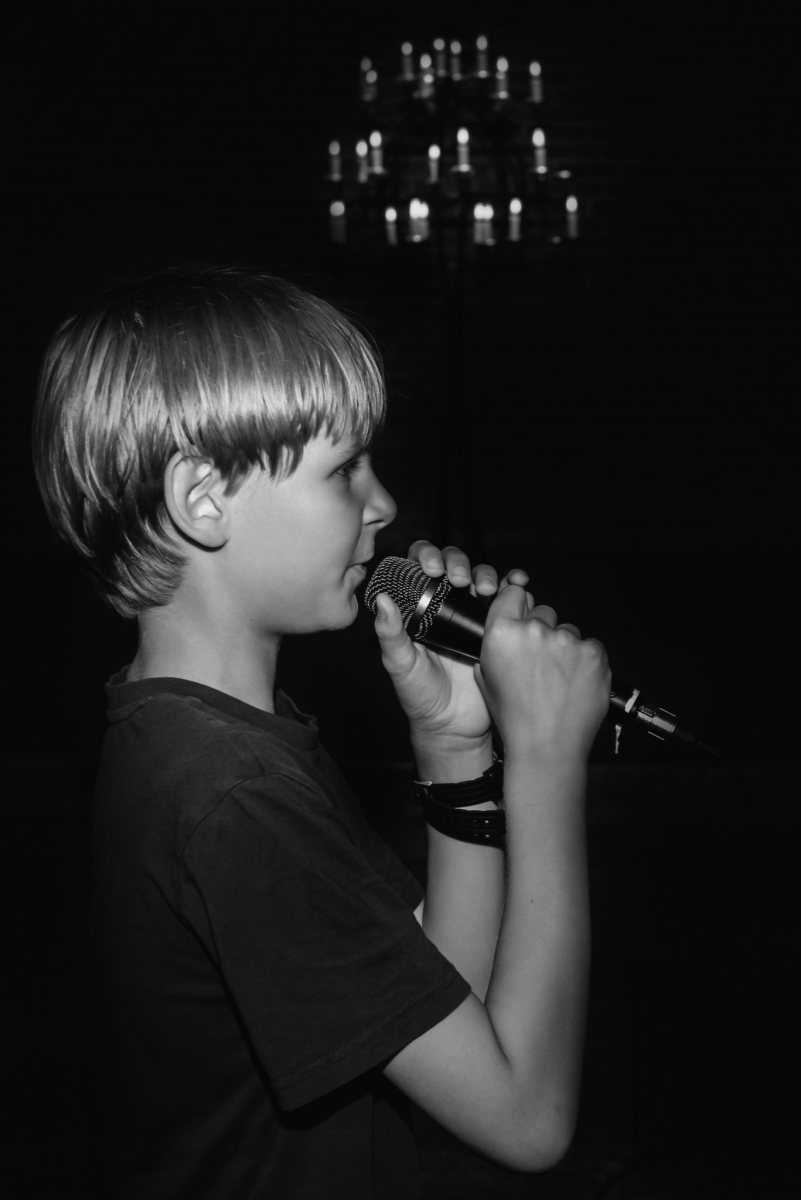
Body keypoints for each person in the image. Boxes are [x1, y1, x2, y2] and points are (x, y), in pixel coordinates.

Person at [32, 266, 611, 1199]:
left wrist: (456, 746)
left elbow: (436, 995)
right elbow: (525, 1120)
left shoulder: (211, 738)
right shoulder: (230, 796)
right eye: (344, 470)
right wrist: (545, 761)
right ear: (202, 498)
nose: (382, 505)